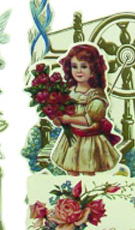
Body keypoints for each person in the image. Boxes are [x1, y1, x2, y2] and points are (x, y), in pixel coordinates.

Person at [51, 44, 121, 176]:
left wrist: (68, 119)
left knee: (88, 168)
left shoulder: (95, 95)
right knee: (71, 169)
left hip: (90, 140)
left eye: (83, 67)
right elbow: (60, 116)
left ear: (93, 70)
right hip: (71, 139)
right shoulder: (68, 91)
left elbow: (89, 120)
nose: (78, 71)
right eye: (74, 66)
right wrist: (57, 118)